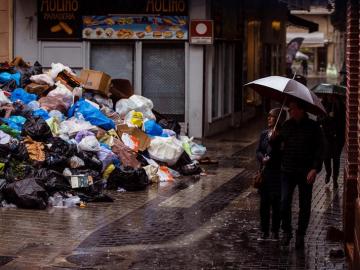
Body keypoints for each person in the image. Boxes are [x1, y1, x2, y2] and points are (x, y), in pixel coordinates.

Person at [275, 100, 323, 249]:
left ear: (301, 110)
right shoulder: (286, 126)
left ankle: (300, 234)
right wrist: (273, 140)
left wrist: (315, 168)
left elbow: (320, 148)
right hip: (287, 171)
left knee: (305, 205)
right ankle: (287, 231)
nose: (289, 111)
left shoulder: (313, 127)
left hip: (305, 172)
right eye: (289, 109)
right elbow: (277, 149)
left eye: (292, 109)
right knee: (284, 203)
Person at [256, 108, 287, 241]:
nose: (269, 119)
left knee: (276, 204)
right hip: (265, 173)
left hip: (278, 173)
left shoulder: (283, 136)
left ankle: (275, 231)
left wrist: (275, 140)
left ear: (279, 119)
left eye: (272, 117)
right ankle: (264, 231)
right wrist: (262, 158)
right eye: (268, 116)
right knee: (264, 203)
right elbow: (258, 150)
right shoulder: (264, 134)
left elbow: (281, 154)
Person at [320, 95, 345, 189]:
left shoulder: (341, 105)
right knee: (326, 157)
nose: (331, 97)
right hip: (326, 137)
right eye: (329, 95)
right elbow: (319, 120)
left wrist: (336, 116)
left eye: (333, 96)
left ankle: (335, 179)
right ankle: (328, 172)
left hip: (337, 137)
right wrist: (328, 116)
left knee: (336, 159)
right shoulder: (323, 104)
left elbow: (343, 121)